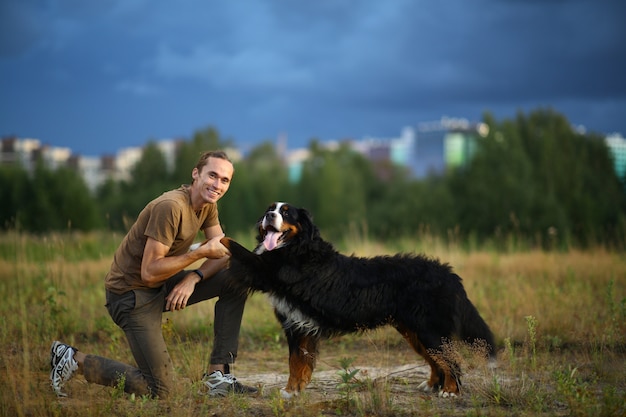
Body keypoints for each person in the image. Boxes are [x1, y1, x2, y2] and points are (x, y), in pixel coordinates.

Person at [49, 150, 257, 399]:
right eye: (212, 175)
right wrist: (197, 254)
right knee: (162, 391)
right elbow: (148, 273)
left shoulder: (207, 206)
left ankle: (217, 376)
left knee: (236, 281)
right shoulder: (170, 207)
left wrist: (193, 278)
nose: (217, 185)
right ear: (195, 174)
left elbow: (223, 253)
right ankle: (73, 359)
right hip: (130, 295)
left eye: (225, 180)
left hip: (161, 284)